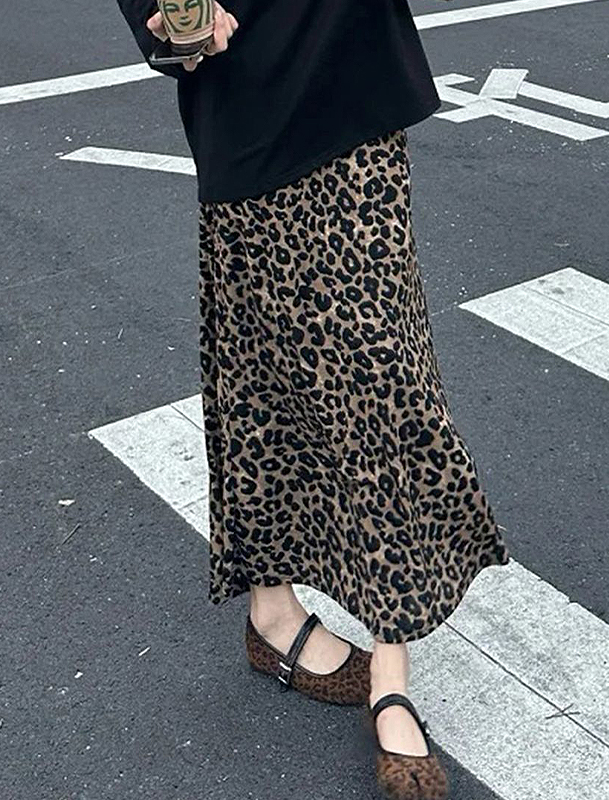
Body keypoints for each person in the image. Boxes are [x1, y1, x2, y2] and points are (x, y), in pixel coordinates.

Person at [115, 1, 510, 797]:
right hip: (241, 97)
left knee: (382, 384)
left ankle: (391, 672)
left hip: (348, 85)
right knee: (258, 380)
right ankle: (272, 612)